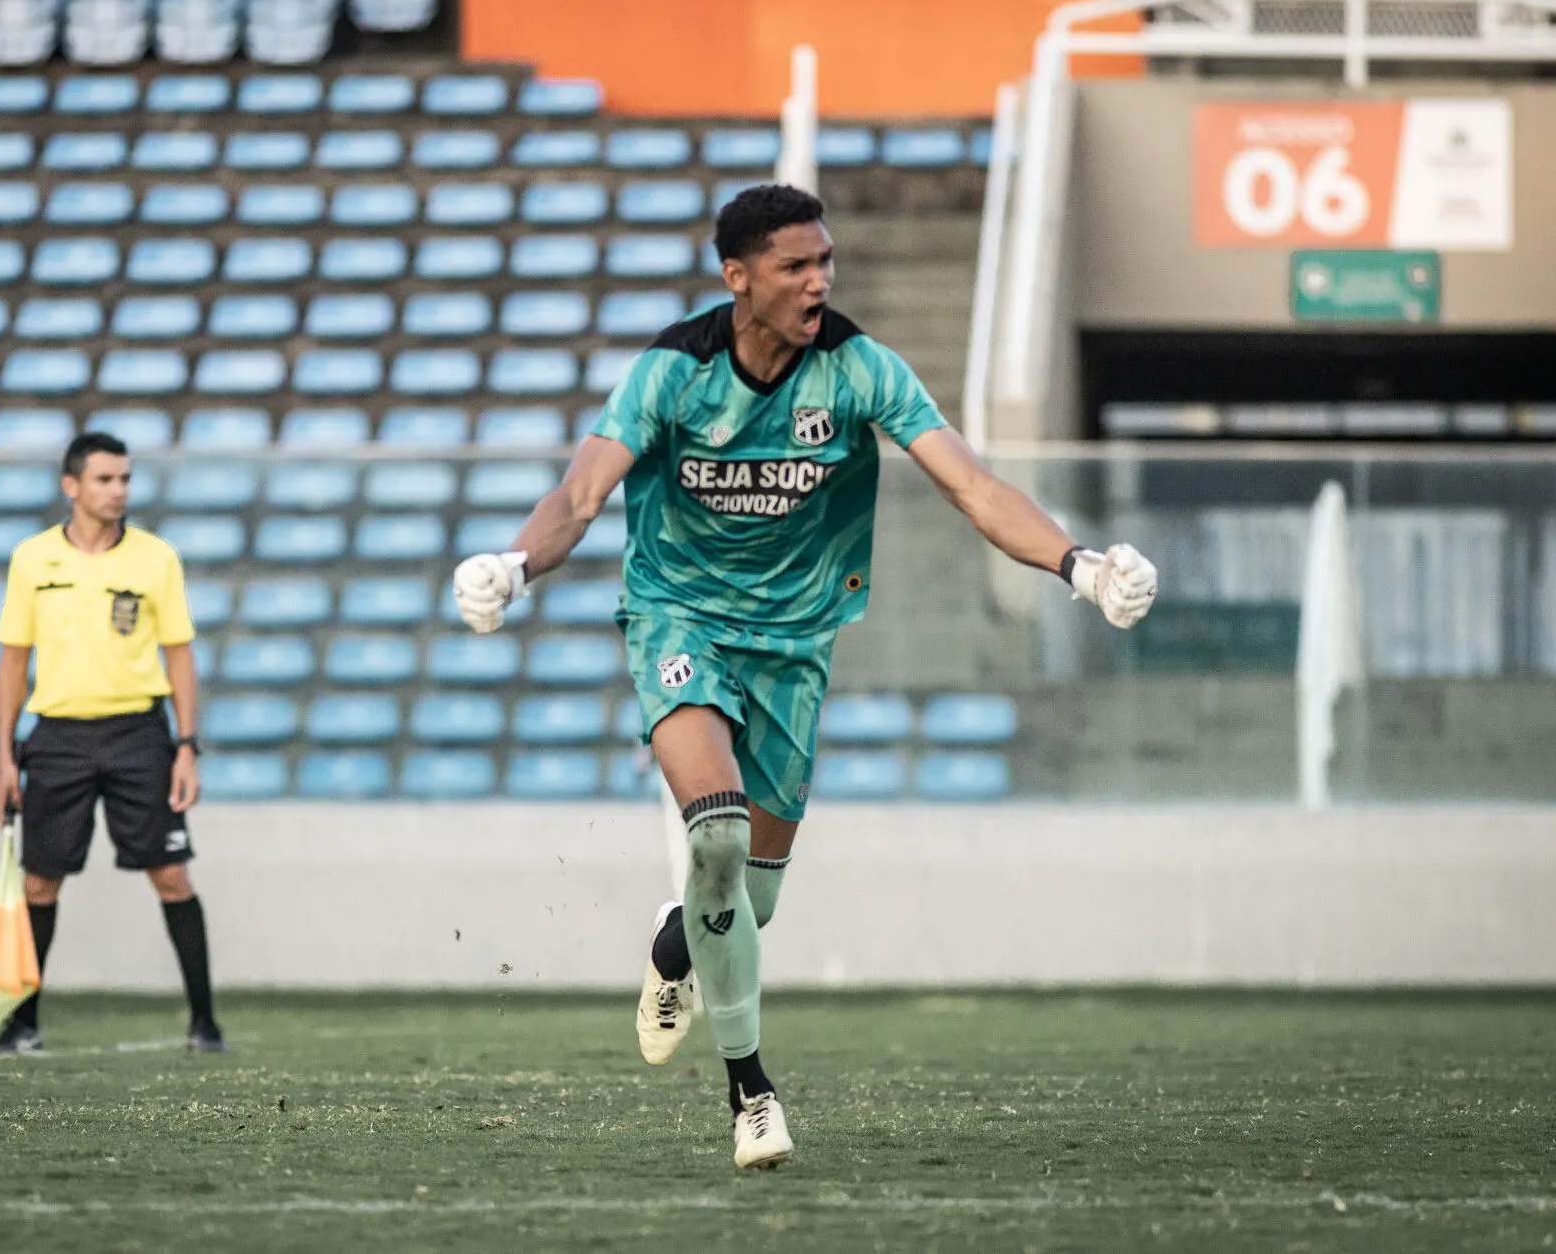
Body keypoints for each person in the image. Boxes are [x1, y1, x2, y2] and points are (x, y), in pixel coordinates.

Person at [451, 185, 1158, 1170]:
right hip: (679, 617)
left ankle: (675, 948)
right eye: (794, 265)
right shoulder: (671, 372)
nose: (818, 280)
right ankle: (749, 1090)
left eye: (824, 261)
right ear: (736, 277)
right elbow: (580, 492)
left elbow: (972, 485)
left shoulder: (860, 370)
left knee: (752, 898)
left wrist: (1077, 564)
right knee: (719, 831)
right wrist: (514, 566)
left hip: (794, 646)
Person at [0, 431, 223, 1055]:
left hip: (137, 735)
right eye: (105, 480)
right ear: (72, 486)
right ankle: (22, 1025)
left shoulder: (155, 560)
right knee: (40, 882)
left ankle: (204, 1024)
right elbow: (13, 663)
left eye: (125, 480)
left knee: (171, 874)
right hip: (58, 736)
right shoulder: (32, 561)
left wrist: (186, 744)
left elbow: (180, 656)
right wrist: (6, 757)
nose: (119, 491)